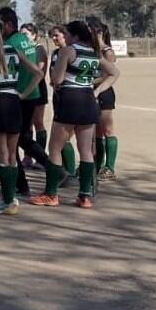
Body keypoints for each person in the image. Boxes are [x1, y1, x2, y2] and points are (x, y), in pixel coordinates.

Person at [29, 21, 119, 208]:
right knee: (85, 149)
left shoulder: (68, 51)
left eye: (67, 34)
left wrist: (55, 79)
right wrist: (95, 89)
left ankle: (51, 194)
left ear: (74, 35)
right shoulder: (93, 52)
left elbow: (58, 79)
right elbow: (114, 72)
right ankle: (84, 195)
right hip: (88, 99)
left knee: (55, 148)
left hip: (70, 98)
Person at [0, 17, 42, 215]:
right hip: (14, 101)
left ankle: (7, 200)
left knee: (1, 153)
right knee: (12, 153)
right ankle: (11, 198)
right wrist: (22, 93)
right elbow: (38, 73)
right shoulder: (13, 50)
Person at [0, 7, 46, 197]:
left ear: (8, 24)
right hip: (30, 94)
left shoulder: (10, 43)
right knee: (21, 137)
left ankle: (21, 184)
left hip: (18, 96)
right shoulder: (25, 40)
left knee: (11, 141)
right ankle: (51, 170)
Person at [87, 17, 119, 181]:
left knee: (107, 130)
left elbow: (108, 73)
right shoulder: (90, 49)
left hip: (104, 92)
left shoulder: (107, 51)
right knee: (96, 132)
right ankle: (97, 165)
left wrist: (91, 82)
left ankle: (110, 167)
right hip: (91, 91)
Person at [49, 25, 77, 182]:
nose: (54, 38)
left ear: (66, 35)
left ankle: (70, 172)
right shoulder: (55, 53)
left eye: (56, 35)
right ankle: (65, 171)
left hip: (70, 97)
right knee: (60, 138)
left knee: (64, 138)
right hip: (58, 97)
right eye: (52, 36)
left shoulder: (72, 52)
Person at [20, 22, 49, 168]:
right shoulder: (24, 49)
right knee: (26, 124)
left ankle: (41, 156)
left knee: (38, 122)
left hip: (37, 88)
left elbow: (40, 71)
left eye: (25, 34)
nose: (23, 37)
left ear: (34, 35)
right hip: (25, 88)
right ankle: (28, 156)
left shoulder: (39, 49)